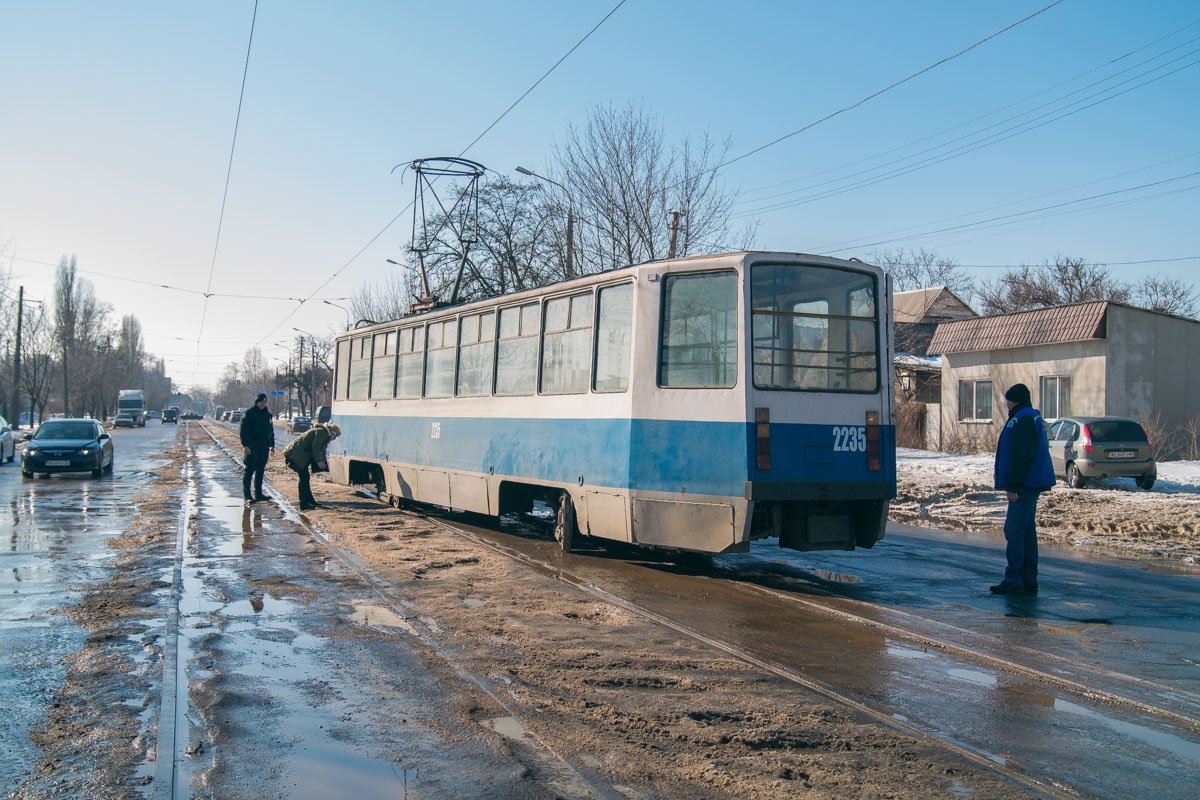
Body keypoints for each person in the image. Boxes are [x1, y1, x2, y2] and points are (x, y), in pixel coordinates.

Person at [991, 383, 1056, 595]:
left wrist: (1014, 486)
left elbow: (1022, 455)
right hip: (1031, 482)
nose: (1007, 404)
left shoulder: (1023, 419)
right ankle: (1028, 578)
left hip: (1025, 484)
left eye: (1008, 400)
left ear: (1015, 401)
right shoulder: (1029, 416)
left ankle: (1014, 578)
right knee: (1026, 531)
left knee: (1013, 529)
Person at [283, 421, 341, 511]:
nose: (334, 439)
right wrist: (318, 461)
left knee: (305, 478)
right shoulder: (323, 433)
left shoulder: (321, 431)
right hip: (296, 455)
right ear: (333, 433)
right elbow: (315, 446)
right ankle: (304, 503)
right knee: (304, 478)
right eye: (335, 436)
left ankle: (310, 501)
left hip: (298, 455)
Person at [239, 392, 276, 507]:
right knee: (249, 470)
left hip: (264, 445)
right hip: (252, 445)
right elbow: (243, 431)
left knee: (260, 470)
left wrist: (272, 445)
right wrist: (246, 445)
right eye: (261, 402)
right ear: (256, 402)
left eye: (264, 402)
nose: (263, 404)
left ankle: (258, 494)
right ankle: (247, 496)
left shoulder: (267, 414)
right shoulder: (249, 414)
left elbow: (270, 431)